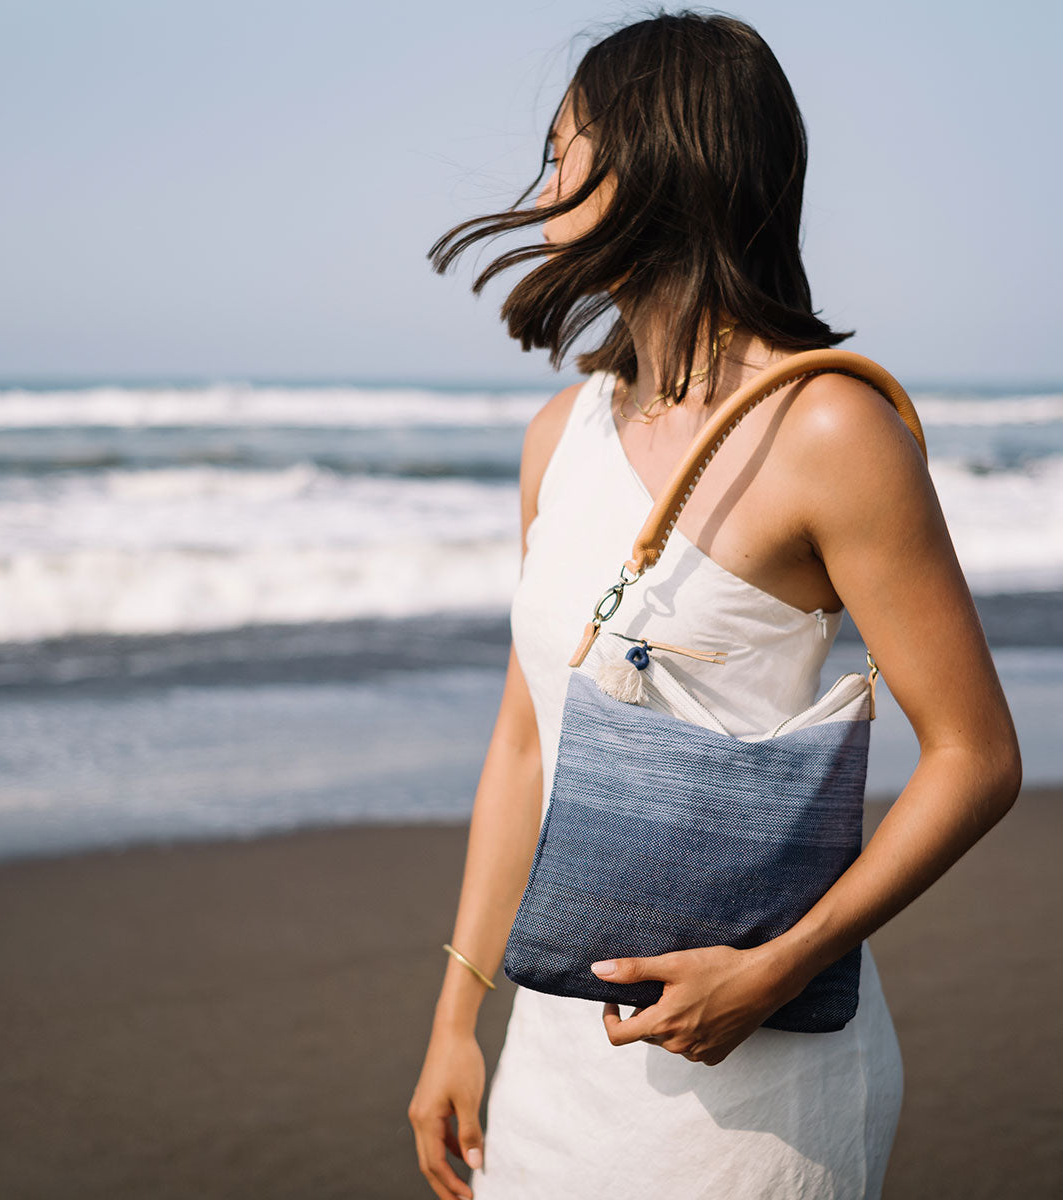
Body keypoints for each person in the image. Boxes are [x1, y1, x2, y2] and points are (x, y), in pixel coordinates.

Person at [406, 9, 1022, 1199]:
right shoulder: (560, 435)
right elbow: (526, 744)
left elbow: (976, 756)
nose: (539, 187)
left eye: (563, 149)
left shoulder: (830, 429)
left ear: (658, 159)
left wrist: (777, 969)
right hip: (554, 1068)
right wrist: (454, 1018)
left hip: (759, 1099)